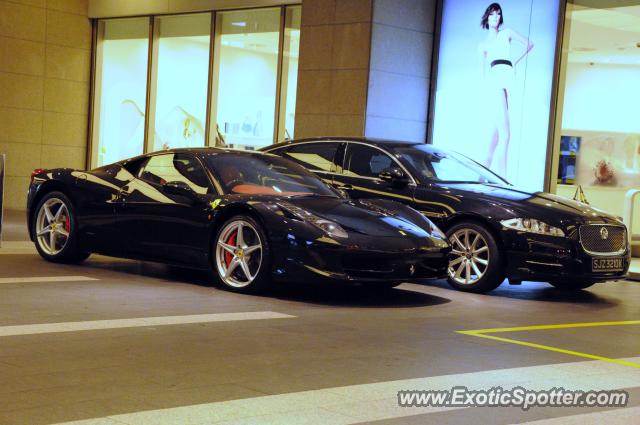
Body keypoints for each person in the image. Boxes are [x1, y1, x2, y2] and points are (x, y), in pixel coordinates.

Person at [478, 2, 533, 177]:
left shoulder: (506, 33)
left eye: (498, 14)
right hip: (495, 86)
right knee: (505, 135)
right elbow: (482, 74)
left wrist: (513, 62)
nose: (496, 17)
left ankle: (479, 178)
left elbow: (529, 44)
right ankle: (504, 180)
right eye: (492, 14)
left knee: (494, 141)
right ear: (487, 17)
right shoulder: (483, 46)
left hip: (508, 82)